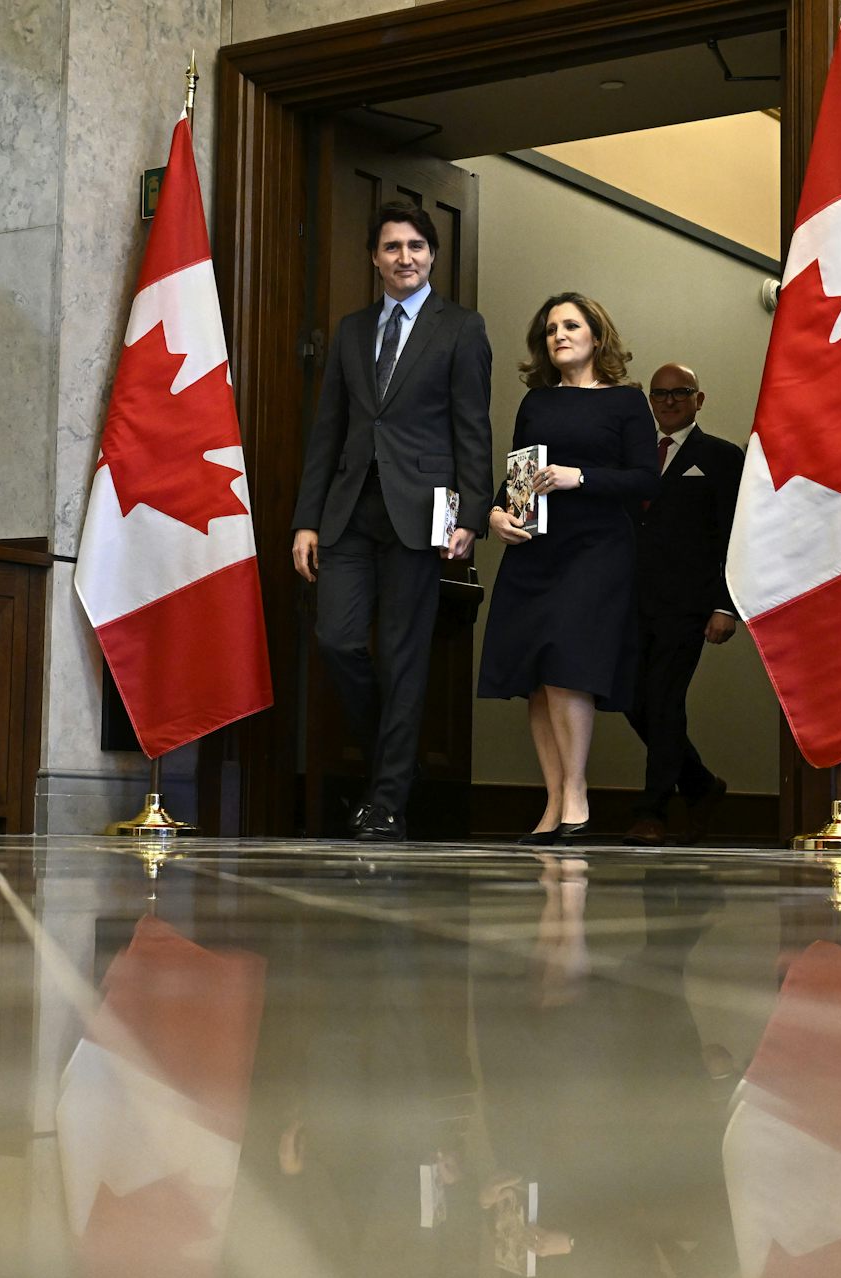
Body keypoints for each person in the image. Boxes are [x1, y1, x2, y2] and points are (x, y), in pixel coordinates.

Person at [291, 201, 493, 842]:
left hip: (422, 515)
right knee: (338, 641)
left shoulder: (461, 327)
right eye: (391, 247)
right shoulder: (351, 331)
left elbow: (472, 428)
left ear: (432, 255)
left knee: (405, 660)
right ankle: (391, 765)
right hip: (350, 513)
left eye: (416, 246)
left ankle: (386, 802)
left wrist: (469, 511)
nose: (404, 257)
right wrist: (307, 520)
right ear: (375, 258)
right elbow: (329, 431)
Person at [477, 294, 658, 843]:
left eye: (571, 325)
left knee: (566, 662)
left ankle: (576, 794)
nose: (559, 335)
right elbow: (518, 480)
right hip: (536, 548)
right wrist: (495, 515)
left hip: (598, 549)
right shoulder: (535, 403)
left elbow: (646, 480)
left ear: (597, 337)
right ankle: (554, 800)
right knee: (536, 674)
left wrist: (580, 477)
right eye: (551, 328)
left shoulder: (627, 402)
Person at [623, 364, 743, 847]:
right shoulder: (632, 456)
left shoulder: (720, 457)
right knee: (634, 701)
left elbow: (736, 536)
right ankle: (699, 784)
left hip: (688, 605)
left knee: (665, 702)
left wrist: (725, 605)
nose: (670, 401)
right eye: (660, 394)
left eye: (681, 392)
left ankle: (652, 812)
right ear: (649, 401)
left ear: (700, 398)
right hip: (629, 603)